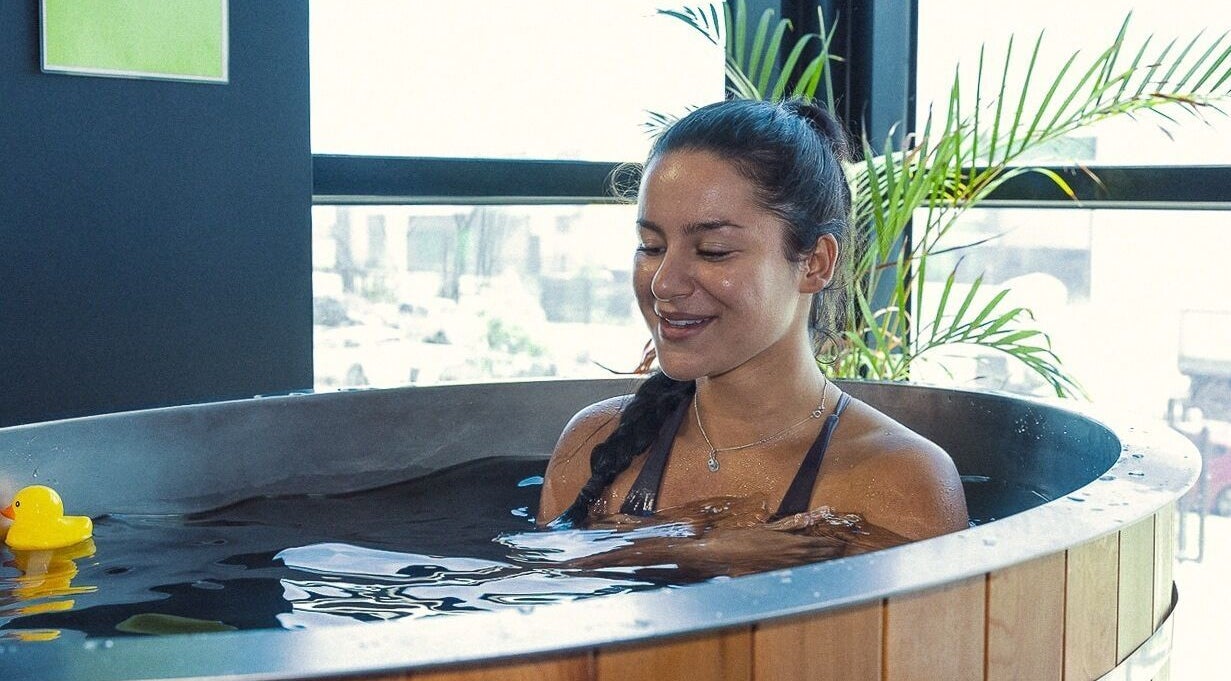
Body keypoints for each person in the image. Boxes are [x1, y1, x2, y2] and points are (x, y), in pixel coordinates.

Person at [536, 99, 968, 553]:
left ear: (815, 263)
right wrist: (698, 551)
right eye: (651, 246)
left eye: (714, 250)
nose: (664, 283)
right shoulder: (596, 443)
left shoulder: (899, 479)